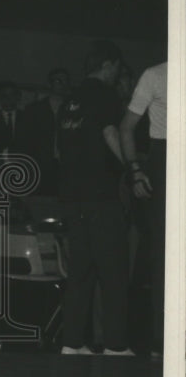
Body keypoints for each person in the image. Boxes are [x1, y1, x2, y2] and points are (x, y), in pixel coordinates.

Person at [57, 40, 133, 356]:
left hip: (72, 197)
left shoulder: (68, 101)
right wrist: (133, 168)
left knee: (80, 272)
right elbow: (111, 133)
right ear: (109, 65)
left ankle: (72, 343)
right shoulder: (106, 95)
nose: (118, 74)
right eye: (117, 68)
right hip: (102, 194)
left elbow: (57, 150)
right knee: (113, 270)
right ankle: (116, 346)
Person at [120, 60, 167, 357]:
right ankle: (161, 343)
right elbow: (125, 128)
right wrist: (135, 170)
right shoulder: (155, 74)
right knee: (163, 256)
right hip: (165, 160)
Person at [15, 67, 71, 196]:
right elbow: (23, 142)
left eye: (66, 81)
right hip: (40, 168)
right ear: (49, 84)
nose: (63, 85)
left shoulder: (73, 109)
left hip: (65, 168)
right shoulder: (34, 110)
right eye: (58, 81)